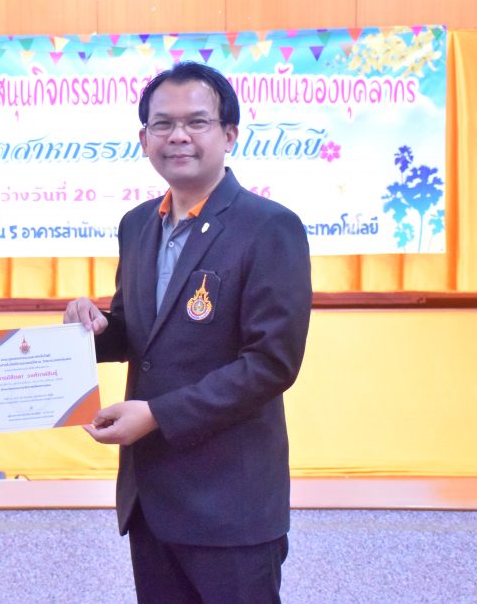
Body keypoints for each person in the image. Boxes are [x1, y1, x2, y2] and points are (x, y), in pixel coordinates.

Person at [64, 62, 312, 603]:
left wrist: (157, 415)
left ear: (229, 134)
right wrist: (93, 327)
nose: (178, 135)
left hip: (231, 503)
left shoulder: (270, 226)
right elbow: (138, 333)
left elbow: (271, 363)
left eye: (197, 122)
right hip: (151, 497)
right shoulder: (137, 224)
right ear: (143, 139)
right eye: (162, 124)